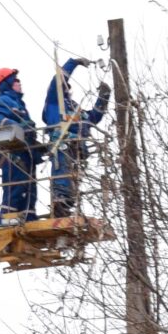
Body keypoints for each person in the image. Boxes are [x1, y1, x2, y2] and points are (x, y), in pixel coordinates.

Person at [42, 56, 111, 216]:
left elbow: (93, 118)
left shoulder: (75, 109)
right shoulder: (54, 101)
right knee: (62, 175)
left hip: (77, 150)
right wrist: (74, 63)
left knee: (71, 180)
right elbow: (59, 80)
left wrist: (103, 97)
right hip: (63, 144)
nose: (68, 89)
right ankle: (60, 201)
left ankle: (66, 203)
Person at [0, 67, 41, 221]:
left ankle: (28, 215)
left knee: (30, 187)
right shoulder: (2, 100)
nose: (19, 83)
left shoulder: (20, 104)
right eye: (16, 80)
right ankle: (7, 217)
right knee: (15, 186)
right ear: (8, 82)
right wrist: (19, 126)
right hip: (13, 151)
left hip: (26, 151)